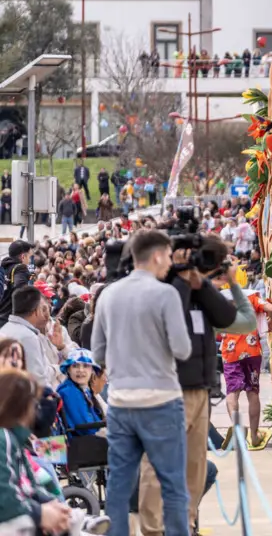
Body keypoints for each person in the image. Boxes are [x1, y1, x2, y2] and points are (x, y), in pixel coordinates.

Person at [139, 237, 249, 536]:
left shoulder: (199, 287)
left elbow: (227, 316)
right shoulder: (162, 285)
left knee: (196, 463)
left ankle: (184, 526)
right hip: (167, 387)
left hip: (200, 388)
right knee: (158, 461)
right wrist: (183, 279)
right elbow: (169, 313)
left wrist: (202, 284)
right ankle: (152, 529)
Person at [91, 229, 193, 536]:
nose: (170, 263)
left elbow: (97, 352)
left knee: (119, 486)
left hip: (121, 402)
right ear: (158, 255)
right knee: (172, 484)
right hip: (161, 400)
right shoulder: (165, 294)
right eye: (168, 257)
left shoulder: (108, 295)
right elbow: (182, 349)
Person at [0, 368, 96, 536]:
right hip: (53, 443)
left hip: (42, 443)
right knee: (45, 466)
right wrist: (42, 513)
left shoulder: (87, 392)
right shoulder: (68, 391)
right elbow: (84, 425)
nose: (81, 370)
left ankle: (63, 508)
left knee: (45, 467)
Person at [218, 286, 272, 451]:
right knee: (252, 393)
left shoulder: (220, 300)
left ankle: (238, 429)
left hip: (230, 352)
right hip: (252, 351)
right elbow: (271, 308)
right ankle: (255, 437)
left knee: (232, 393)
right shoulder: (251, 297)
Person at [0, 286, 66, 389]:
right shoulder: (28, 337)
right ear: (36, 311)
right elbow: (39, 380)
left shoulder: (5, 328)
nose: (47, 315)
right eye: (43, 309)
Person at [56, 348, 106, 437]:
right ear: (68, 370)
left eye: (85, 366)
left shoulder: (84, 390)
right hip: (81, 442)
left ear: (92, 370)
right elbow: (87, 429)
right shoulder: (69, 392)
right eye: (75, 366)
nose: (80, 370)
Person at [0, 240, 33, 326]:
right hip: (10, 321)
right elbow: (21, 290)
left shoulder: (3, 267)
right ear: (23, 257)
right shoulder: (21, 268)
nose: (29, 261)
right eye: (29, 257)